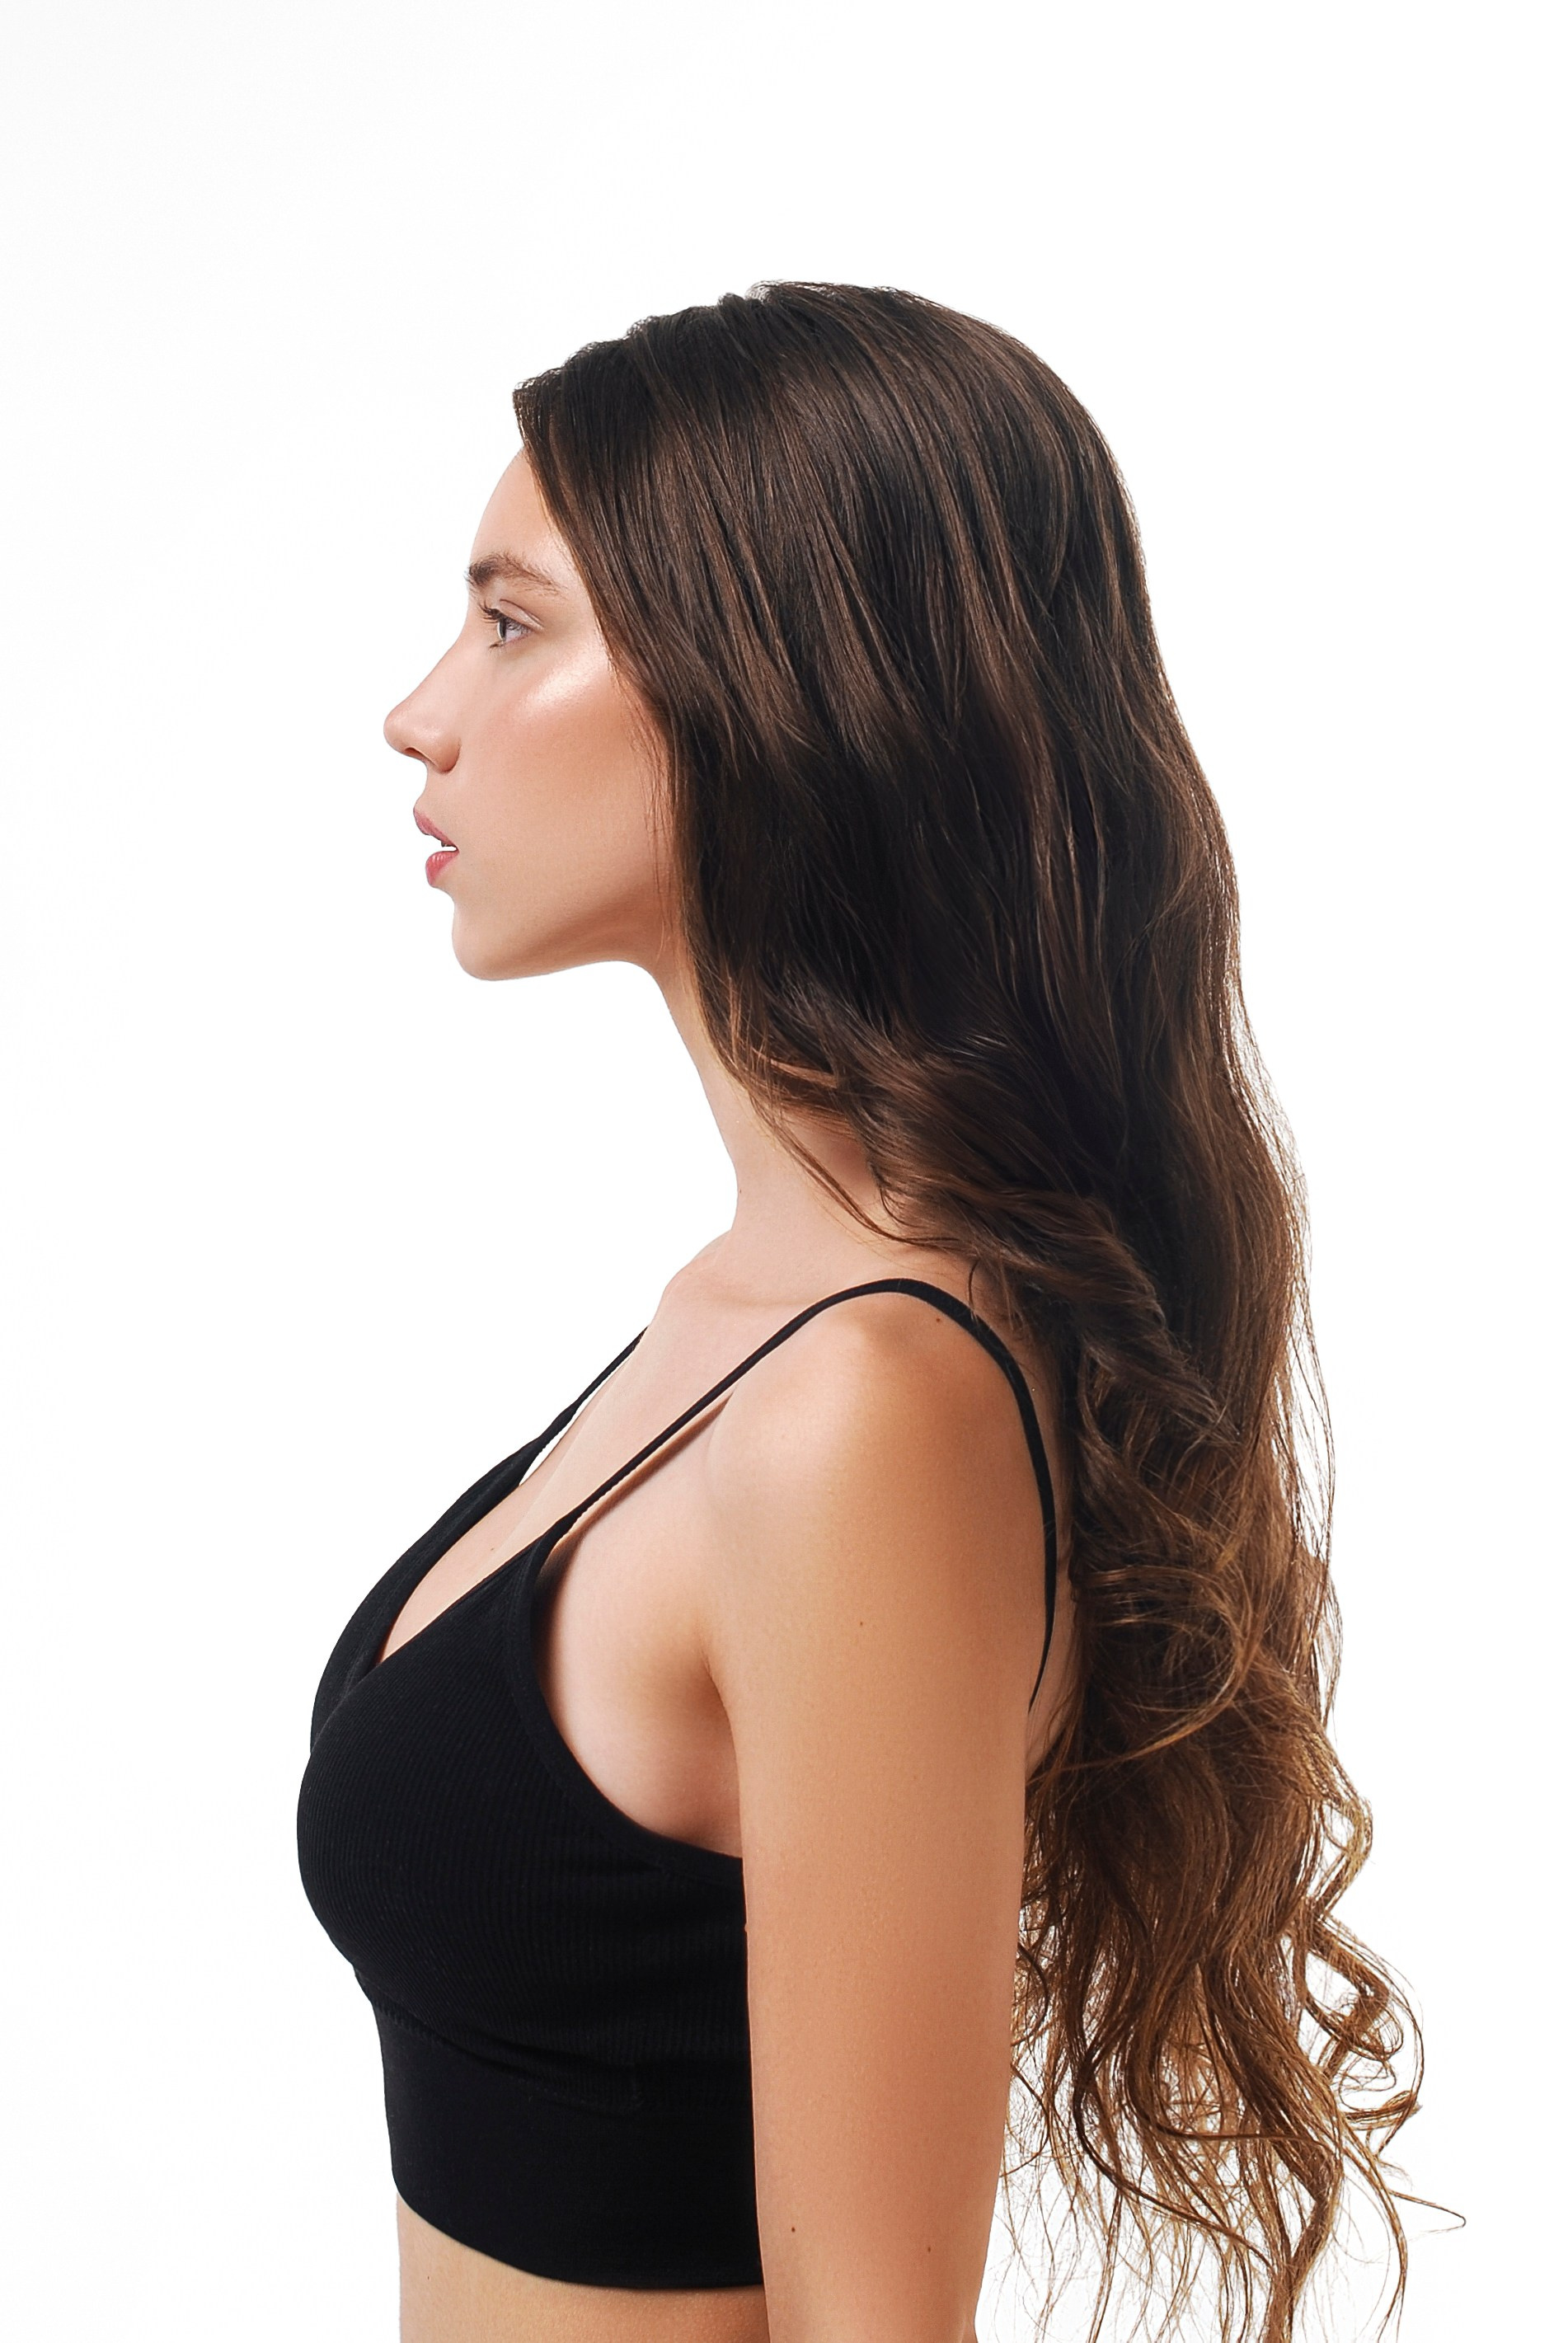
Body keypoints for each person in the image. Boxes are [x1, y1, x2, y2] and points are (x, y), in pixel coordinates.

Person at [297, 283, 1417, 2343]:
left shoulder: (867, 1406)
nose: (420, 712)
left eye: (514, 624)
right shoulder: (747, 1314)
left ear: (773, 691)